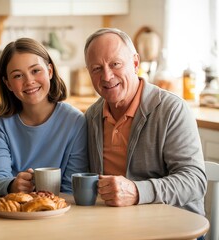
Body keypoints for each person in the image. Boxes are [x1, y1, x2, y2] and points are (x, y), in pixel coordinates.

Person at [84, 28, 207, 215]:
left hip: (174, 225)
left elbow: (194, 182)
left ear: (135, 63)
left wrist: (136, 192)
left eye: (115, 64)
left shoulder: (172, 110)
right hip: (116, 225)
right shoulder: (91, 116)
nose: (107, 77)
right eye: (97, 69)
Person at [0, 37, 88, 196]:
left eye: (35, 71)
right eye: (18, 76)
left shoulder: (75, 121)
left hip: (60, 210)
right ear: (8, 84)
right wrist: (13, 185)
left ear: (49, 71)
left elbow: (72, 186)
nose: (29, 81)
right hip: (14, 209)